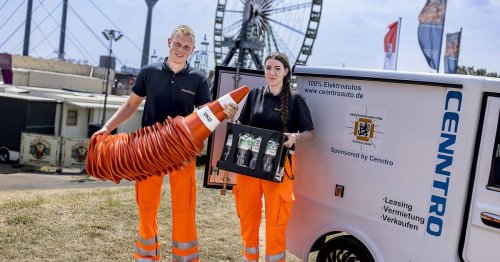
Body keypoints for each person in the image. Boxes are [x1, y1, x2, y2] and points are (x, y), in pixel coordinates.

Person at [94, 25, 238, 262]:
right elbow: (131, 105)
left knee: (184, 207)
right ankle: (147, 256)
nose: (181, 50)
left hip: (183, 152)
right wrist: (106, 128)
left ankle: (185, 258)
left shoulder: (198, 80)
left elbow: (205, 114)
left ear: (192, 51)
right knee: (146, 206)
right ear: (169, 41)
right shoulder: (149, 72)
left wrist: (227, 113)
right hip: (149, 151)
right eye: (178, 44)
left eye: (187, 48)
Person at [233, 51, 314, 261]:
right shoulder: (254, 95)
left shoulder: (296, 100)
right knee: (248, 217)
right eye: (268, 68)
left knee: (276, 222)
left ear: (286, 71)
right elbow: (243, 124)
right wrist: (233, 121)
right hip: (250, 164)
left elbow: (310, 134)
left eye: (277, 68)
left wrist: (295, 137)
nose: (272, 72)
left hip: (280, 166)